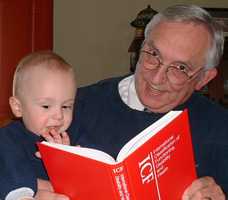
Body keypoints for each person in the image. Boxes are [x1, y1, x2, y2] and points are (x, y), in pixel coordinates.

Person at [69, 4, 228, 199]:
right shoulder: (76, 105)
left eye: (180, 68)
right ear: (140, 47)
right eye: (153, 55)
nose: (157, 78)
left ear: (204, 79)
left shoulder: (220, 128)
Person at [0, 51, 76, 200]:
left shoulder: (65, 139)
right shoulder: (9, 136)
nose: (59, 116)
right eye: (46, 106)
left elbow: (66, 185)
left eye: (66, 106)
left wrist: (67, 159)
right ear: (18, 107)